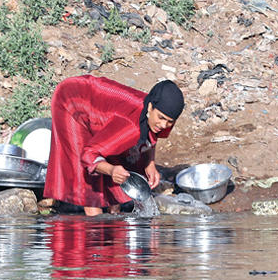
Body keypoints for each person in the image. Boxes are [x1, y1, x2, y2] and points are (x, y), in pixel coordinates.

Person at [43, 75, 185, 215]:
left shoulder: (160, 117)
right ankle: (95, 223)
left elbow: (151, 136)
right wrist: (111, 170)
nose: (163, 125)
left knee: (118, 154)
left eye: (169, 121)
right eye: (161, 118)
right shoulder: (130, 126)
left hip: (102, 110)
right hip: (72, 100)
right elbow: (87, 156)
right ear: (149, 107)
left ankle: (114, 212)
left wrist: (149, 162)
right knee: (89, 182)